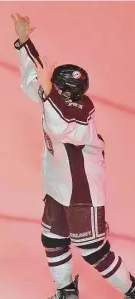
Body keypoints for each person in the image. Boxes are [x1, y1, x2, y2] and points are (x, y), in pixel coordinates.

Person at [11, 13, 135, 299]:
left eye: (55, 85)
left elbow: (61, 125)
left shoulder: (81, 113)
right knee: (52, 239)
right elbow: (34, 79)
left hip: (83, 193)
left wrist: (46, 90)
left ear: (66, 92)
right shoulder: (57, 98)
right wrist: (24, 41)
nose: (48, 86)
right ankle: (65, 290)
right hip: (58, 188)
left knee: (93, 250)